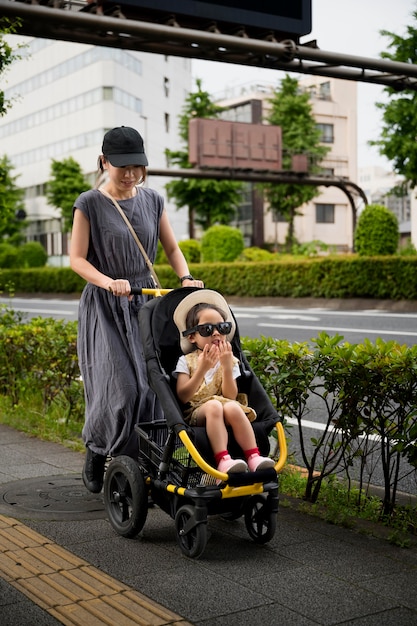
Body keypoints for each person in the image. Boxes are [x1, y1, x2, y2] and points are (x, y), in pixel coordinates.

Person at [70, 125, 203, 493]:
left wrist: (186, 277)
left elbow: (173, 249)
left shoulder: (152, 200)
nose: (130, 175)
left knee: (153, 387)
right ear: (104, 162)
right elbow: (77, 260)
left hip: (146, 303)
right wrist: (107, 281)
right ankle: (98, 450)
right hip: (106, 306)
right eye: (122, 167)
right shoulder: (90, 203)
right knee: (120, 389)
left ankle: (143, 459)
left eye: (137, 167)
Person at [173, 290, 275, 474]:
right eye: (207, 329)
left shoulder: (229, 359)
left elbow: (230, 396)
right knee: (214, 406)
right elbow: (183, 396)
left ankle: (253, 456)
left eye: (223, 328)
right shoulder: (187, 361)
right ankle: (223, 459)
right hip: (198, 411)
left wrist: (227, 367)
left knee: (233, 406)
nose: (217, 333)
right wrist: (202, 369)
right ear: (191, 337)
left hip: (225, 406)